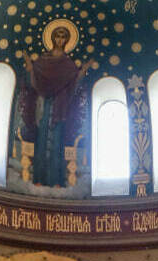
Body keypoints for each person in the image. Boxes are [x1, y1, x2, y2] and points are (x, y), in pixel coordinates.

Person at [20, 27, 94, 187]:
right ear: (53, 38)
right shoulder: (43, 60)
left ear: (67, 40)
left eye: (63, 37)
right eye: (58, 36)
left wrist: (83, 71)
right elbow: (34, 81)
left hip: (60, 108)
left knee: (57, 143)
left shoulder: (68, 64)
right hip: (44, 106)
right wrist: (30, 67)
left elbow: (73, 85)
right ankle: (39, 179)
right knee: (41, 141)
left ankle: (56, 181)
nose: (60, 40)